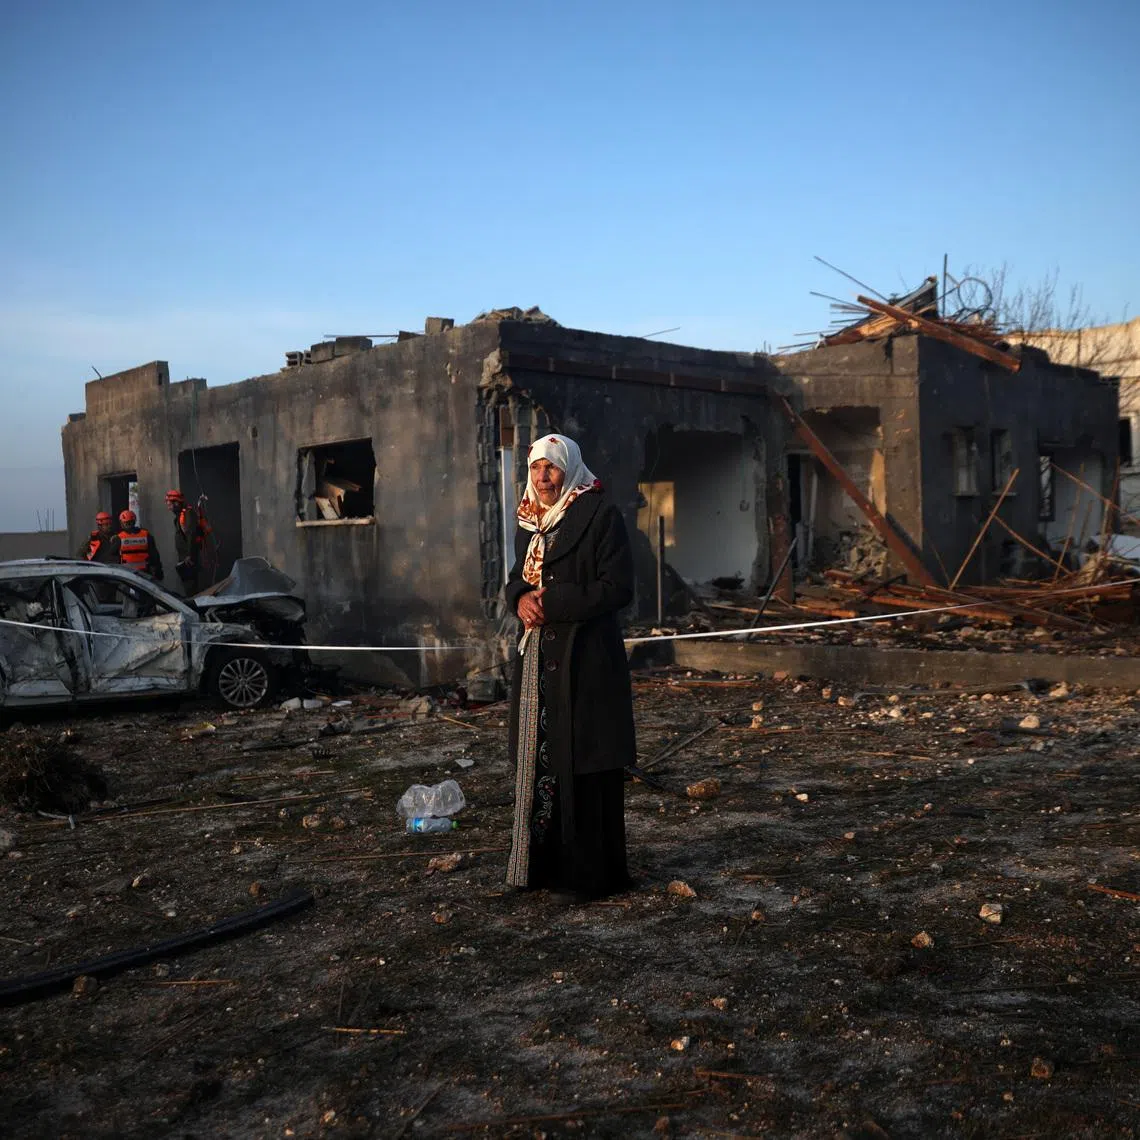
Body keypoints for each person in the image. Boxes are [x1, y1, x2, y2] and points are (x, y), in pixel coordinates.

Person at [504, 434, 636, 901]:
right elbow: (519, 578)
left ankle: (590, 876)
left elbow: (618, 587)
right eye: (537, 468)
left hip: (586, 662)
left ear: (570, 470)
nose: (543, 477)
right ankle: (538, 868)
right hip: (539, 658)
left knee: (584, 762)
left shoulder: (599, 514)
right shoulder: (528, 520)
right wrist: (520, 599)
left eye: (552, 468)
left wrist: (552, 602)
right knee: (540, 761)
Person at [165, 489, 214, 595]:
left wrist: (189, 555)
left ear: (176, 503)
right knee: (188, 586)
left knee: (191, 588)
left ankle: (195, 609)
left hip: (189, 560)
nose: (168, 506)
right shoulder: (180, 516)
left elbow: (192, 536)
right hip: (185, 559)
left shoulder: (188, 514)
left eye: (169, 503)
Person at [113, 510, 163, 579]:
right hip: (144, 573)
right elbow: (154, 555)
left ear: (121, 523)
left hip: (127, 573)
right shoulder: (146, 534)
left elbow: (114, 557)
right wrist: (158, 570)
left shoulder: (119, 537)